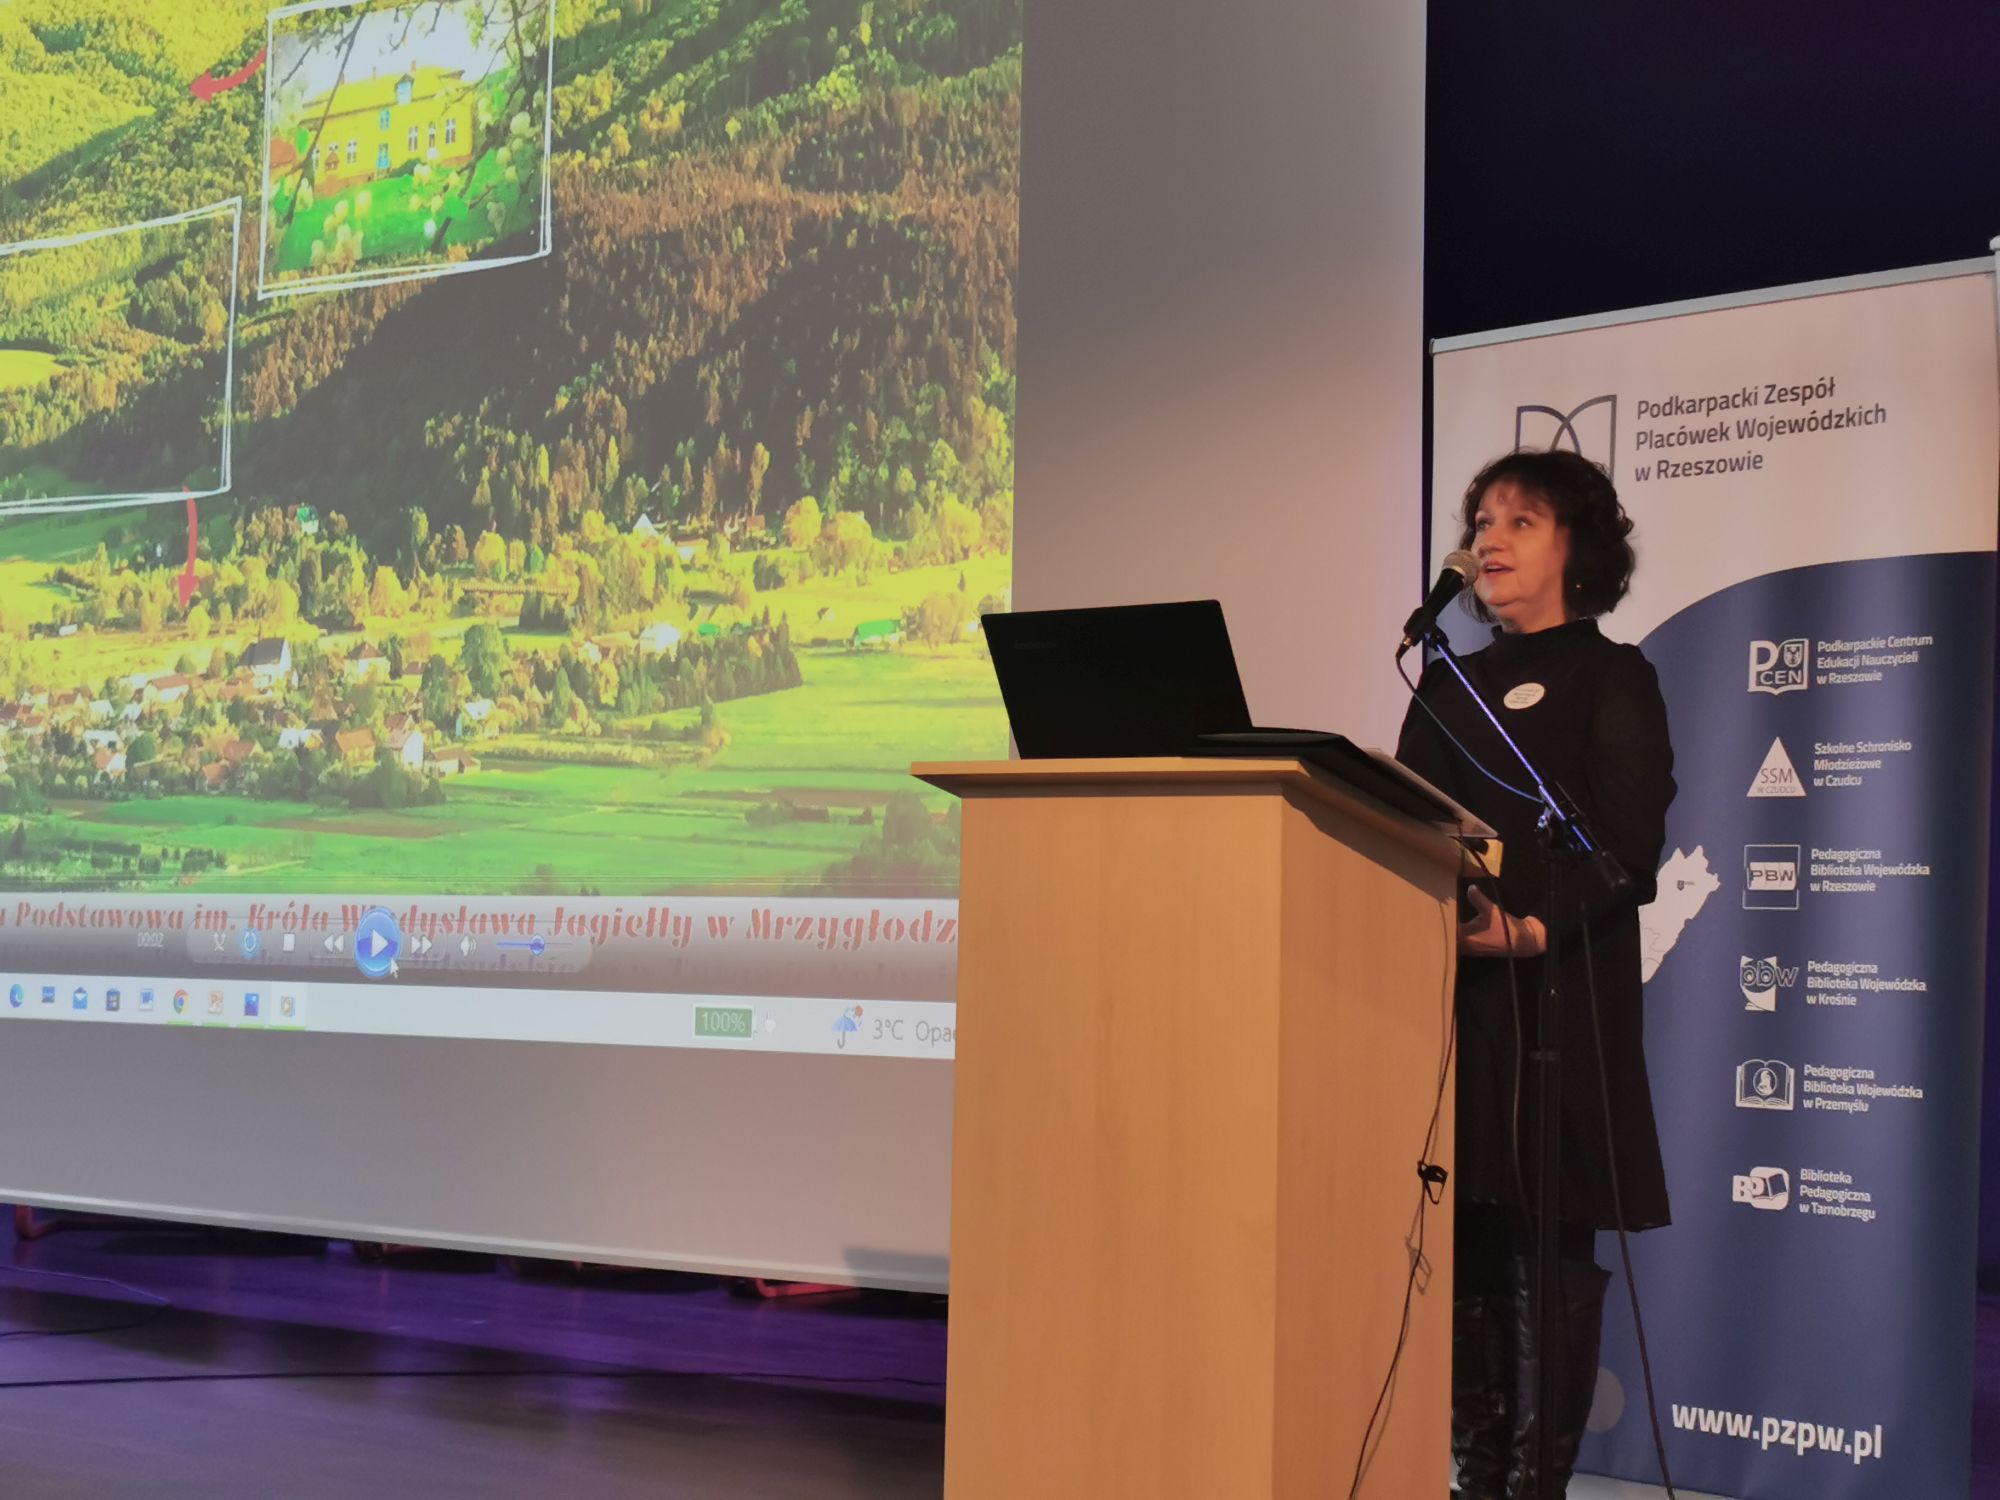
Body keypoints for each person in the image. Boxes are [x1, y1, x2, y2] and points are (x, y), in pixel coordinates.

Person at [1394, 448, 1674, 1500]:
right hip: (1455, 1007)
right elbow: (1403, 828)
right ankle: (1475, 1477)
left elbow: (1624, 848)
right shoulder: (1443, 686)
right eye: (1481, 523)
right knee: (1466, 1235)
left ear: (1576, 547)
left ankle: (1532, 1486)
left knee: (1544, 1237)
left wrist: (1529, 928)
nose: (1491, 541)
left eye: (1520, 521)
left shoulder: (1613, 676)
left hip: (1558, 1007)